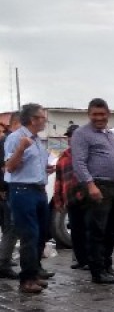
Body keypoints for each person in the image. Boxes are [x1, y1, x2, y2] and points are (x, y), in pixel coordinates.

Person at [71, 98, 114, 284]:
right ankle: (97, 271)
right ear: (89, 115)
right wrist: (90, 185)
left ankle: (106, 265)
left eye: (102, 114)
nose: (99, 118)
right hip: (98, 187)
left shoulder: (109, 134)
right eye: (95, 114)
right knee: (97, 230)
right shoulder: (82, 134)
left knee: (113, 229)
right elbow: (79, 162)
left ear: (108, 114)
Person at [3, 103, 54, 293]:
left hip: (39, 190)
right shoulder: (17, 138)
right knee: (29, 235)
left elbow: (31, 166)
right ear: (33, 119)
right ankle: (26, 280)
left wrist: (46, 170)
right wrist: (21, 149)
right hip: (22, 191)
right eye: (42, 117)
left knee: (41, 233)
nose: (45, 121)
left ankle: (34, 273)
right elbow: (10, 167)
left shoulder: (38, 141)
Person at [53, 124, 88, 269]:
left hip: (87, 198)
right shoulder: (64, 157)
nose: (70, 139)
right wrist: (58, 200)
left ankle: (91, 260)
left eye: (73, 136)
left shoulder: (87, 154)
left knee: (89, 230)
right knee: (76, 231)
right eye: (69, 137)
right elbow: (59, 180)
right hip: (71, 200)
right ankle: (80, 260)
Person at [0, 112, 21, 279]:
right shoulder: (8, 141)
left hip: (6, 190)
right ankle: (3, 263)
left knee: (9, 227)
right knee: (10, 228)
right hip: (7, 191)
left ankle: (4, 259)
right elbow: (4, 168)